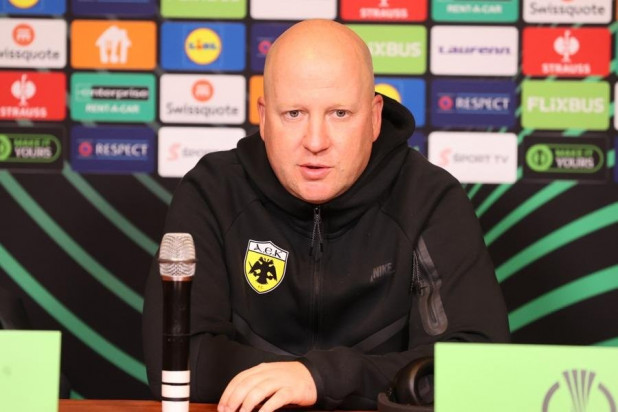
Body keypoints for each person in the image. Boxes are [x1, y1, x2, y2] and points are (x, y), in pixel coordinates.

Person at [143, 19, 510, 412]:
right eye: (294, 113)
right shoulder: (213, 191)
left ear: (374, 117)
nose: (315, 141)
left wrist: (322, 378)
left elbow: (476, 368)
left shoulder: (428, 198)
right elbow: (177, 362)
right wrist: (299, 379)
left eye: (339, 113)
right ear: (264, 117)